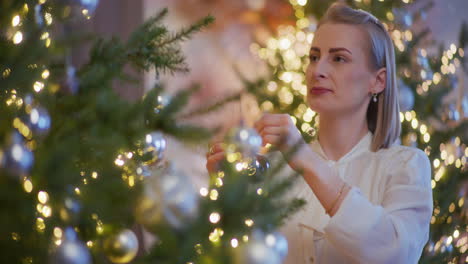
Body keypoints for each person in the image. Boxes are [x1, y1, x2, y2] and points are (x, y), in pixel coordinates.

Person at [206, 2, 433, 263]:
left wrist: (304, 158)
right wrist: (228, 196)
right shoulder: (274, 169)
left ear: (377, 81)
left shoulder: (405, 166)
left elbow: (397, 254)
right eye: (314, 57)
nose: (318, 70)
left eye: (338, 58)